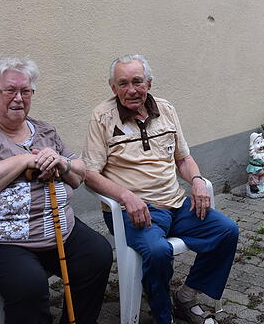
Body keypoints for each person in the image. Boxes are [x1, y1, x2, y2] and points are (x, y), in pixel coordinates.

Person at [0, 57, 113, 324]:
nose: (18, 98)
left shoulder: (45, 131)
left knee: (97, 255)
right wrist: (22, 160)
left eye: (25, 91)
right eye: (10, 91)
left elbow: (78, 174)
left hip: (50, 229)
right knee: (28, 282)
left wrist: (62, 163)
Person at [83, 54, 239, 324]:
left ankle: (187, 297)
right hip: (133, 211)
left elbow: (183, 159)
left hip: (176, 204)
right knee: (157, 252)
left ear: (149, 84)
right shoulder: (102, 117)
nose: (131, 90)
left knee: (226, 231)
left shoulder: (166, 109)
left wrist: (198, 180)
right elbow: (89, 174)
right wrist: (125, 196)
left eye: (137, 81)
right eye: (123, 83)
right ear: (113, 88)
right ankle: (162, 314)